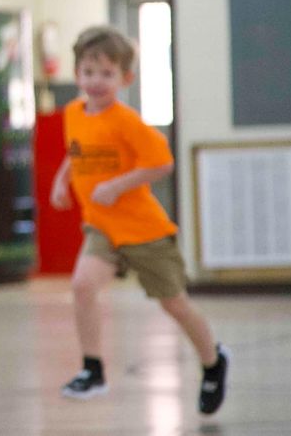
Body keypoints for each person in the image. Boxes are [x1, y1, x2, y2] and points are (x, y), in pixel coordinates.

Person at [50, 25, 228, 414]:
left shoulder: (127, 121)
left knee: (175, 305)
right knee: (82, 286)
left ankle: (213, 362)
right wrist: (62, 179)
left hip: (143, 231)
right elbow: (77, 151)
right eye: (88, 72)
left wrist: (118, 185)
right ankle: (92, 369)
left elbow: (162, 162)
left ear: (125, 79)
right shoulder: (73, 114)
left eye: (106, 74)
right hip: (101, 227)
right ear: (77, 73)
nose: (96, 81)